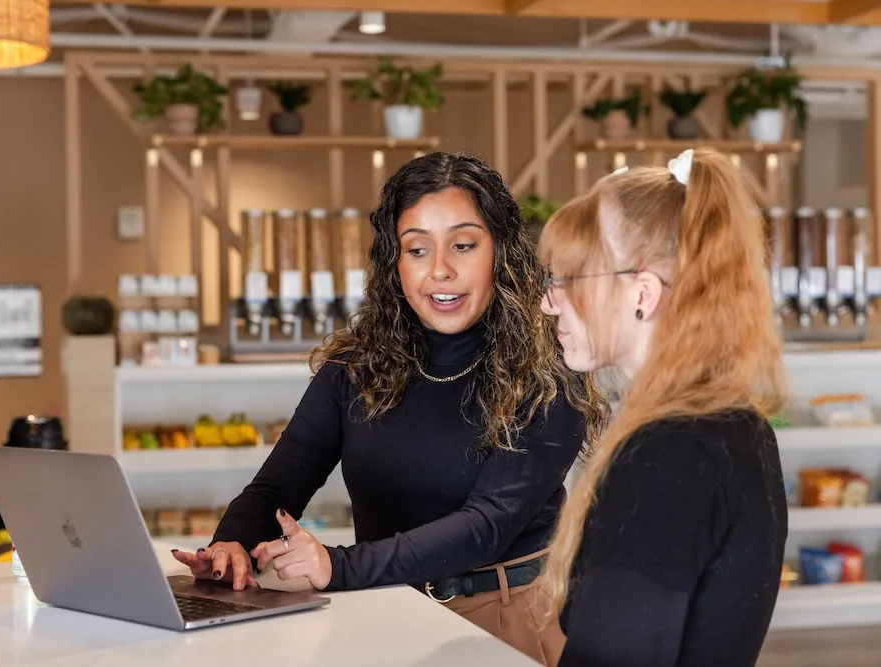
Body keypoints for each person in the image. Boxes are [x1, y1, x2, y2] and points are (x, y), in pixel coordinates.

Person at [173, 151, 609, 662]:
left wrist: (338, 567)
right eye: (417, 250)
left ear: (502, 253)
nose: (440, 270)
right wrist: (232, 546)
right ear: (394, 262)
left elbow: (485, 527)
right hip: (381, 610)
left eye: (463, 246)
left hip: (505, 616)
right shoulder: (356, 366)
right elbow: (277, 486)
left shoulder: (546, 373)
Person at [537, 148, 788, 667]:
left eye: (569, 280)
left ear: (643, 295)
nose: (547, 301)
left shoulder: (668, 455)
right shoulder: (735, 425)